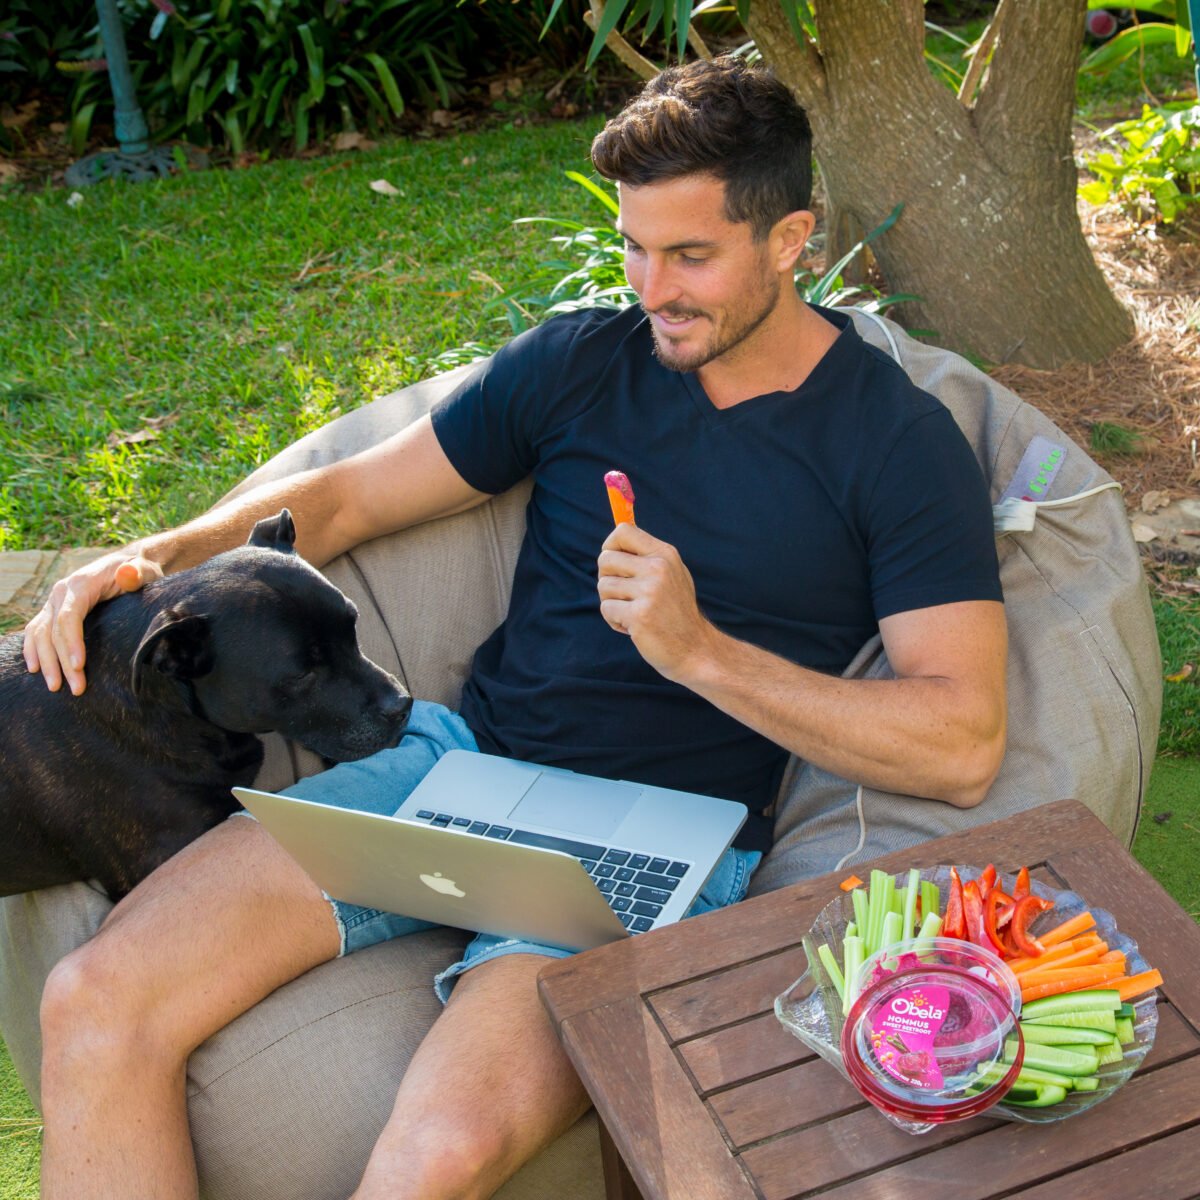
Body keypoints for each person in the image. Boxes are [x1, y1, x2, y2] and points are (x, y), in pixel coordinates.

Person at [21, 56, 1007, 1200]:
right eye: (637, 247)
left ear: (790, 239)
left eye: (691, 255)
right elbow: (337, 501)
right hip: (455, 766)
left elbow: (963, 737)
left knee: (434, 1157)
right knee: (91, 1003)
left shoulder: (898, 443)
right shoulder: (582, 363)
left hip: (658, 844)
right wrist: (145, 565)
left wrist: (699, 653)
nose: (653, 287)